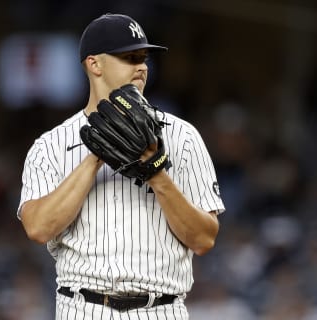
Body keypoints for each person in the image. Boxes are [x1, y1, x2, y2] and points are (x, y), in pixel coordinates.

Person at [17, 13, 225, 320]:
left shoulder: (182, 137)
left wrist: (155, 173)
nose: (141, 66)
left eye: (143, 57)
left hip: (161, 309)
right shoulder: (50, 145)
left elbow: (204, 239)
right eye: (129, 57)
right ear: (94, 64)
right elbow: (38, 228)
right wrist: (96, 155)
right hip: (82, 308)